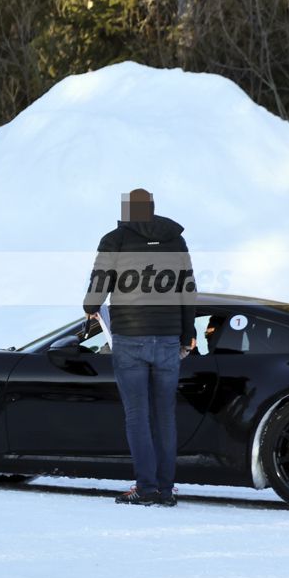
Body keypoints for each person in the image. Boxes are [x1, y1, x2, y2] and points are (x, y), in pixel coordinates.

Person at [83, 188, 196, 506]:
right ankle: (165, 489)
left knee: (137, 415)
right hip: (168, 337)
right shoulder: (175, 239)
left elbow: (99, 284)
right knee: (165, 415)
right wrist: (188, 333)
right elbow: (188, 289)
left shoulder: (115, 239)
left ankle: (146, 488)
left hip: (131, 337)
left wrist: (90, 305)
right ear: (153, 208)